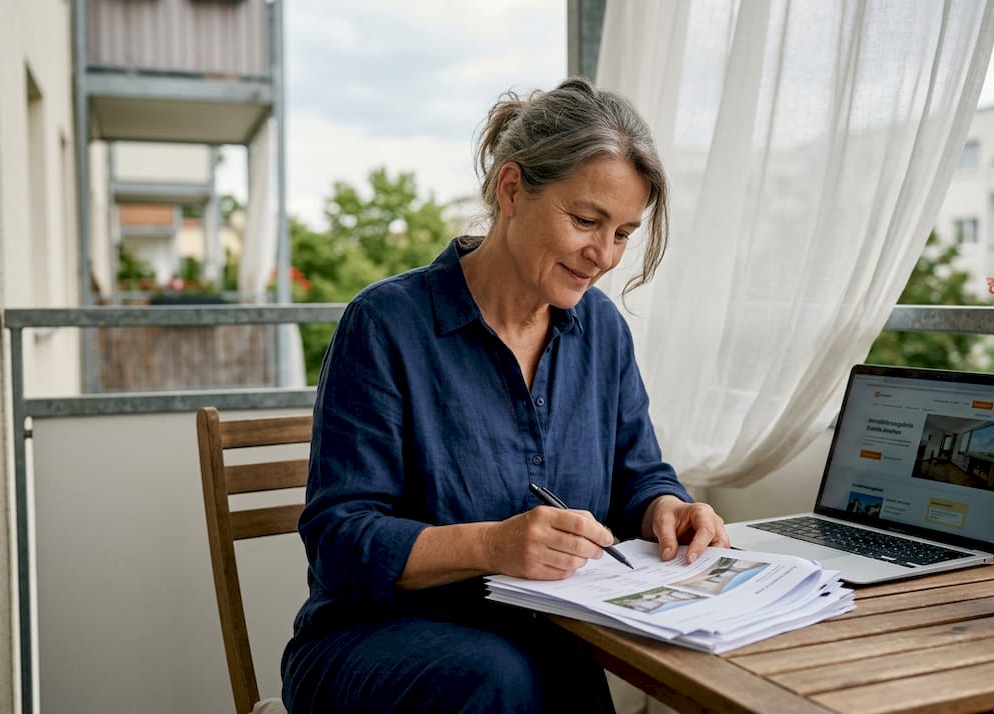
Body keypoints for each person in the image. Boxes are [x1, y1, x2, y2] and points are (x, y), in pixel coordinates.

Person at [281, 77, 729, 713]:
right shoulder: (385, 324)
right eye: (585, 221)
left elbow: (639, 474)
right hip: (373, 641)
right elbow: (340, 540)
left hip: (541, 636)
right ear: (512, 188)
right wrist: (492, 545)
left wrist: (667, 507)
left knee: (559, 672)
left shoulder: (602, 331)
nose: (603, 255)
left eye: (624, 232)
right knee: (506, 679)